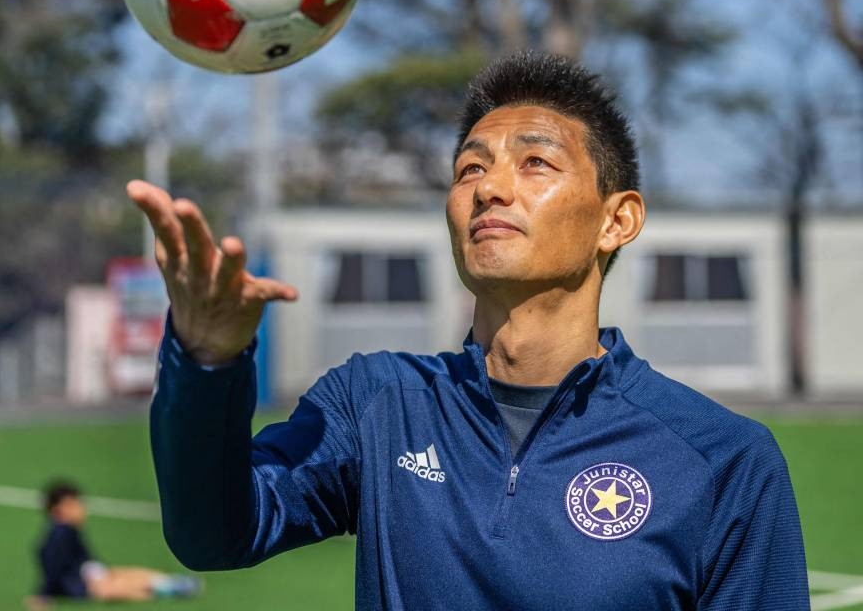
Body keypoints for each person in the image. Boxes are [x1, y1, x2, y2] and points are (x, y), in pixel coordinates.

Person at [129, 50, 810, 609]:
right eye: (470, 168)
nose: (491, 188)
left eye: (536, 162)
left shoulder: (723, 460)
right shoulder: (377, 403)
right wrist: (208, 362)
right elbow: (212, 535)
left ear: (617, 220)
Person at [33, 479, 201, 603]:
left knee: (125, 574)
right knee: (115, 587)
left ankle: (169, 583)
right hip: (80, 583)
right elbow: (52, 565)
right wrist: (44, 594)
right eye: (75, 505)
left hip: (89, 574)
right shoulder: (61, 533)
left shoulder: (68, 531)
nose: (82, 508)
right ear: (58, 510)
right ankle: (167, 588)